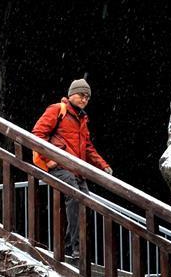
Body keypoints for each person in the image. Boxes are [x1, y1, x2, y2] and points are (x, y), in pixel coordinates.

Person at [32, 78, 112, 262]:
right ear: (71, 94)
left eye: (87, 97)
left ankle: (75, 248)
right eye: (81, 95)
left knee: (86, 204)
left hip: (76, 169)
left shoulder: (82, 119)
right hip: (60, 166)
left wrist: (103, 165)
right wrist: (49, 159)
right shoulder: (57, 109)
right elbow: (37, 134)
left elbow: (88, 147)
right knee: (75, 198)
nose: (84, 99)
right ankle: (73, 249)